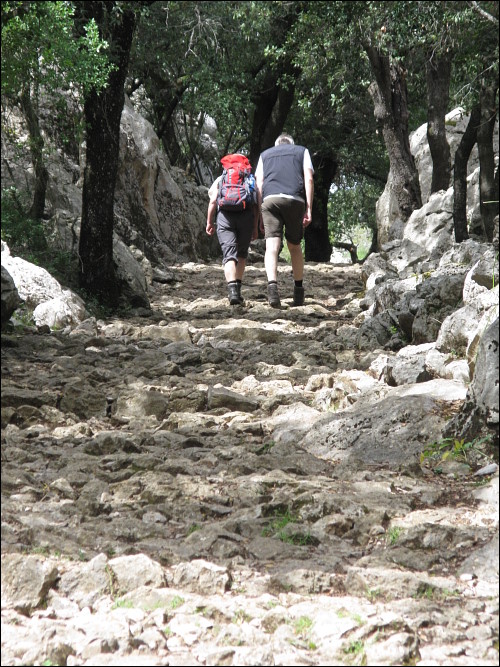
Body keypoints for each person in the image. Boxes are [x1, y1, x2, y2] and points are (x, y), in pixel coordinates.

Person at [255, 133, 314, 308]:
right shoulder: (302, 152)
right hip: (295, 200)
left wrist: (259, 212)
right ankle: (298, 290)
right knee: (294, 246)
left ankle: (272, 287)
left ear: (276, 144)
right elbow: (309, 178)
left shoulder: (264, 155)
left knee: (271, 247)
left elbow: (259, 184)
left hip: (270, 200)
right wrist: (309, 208)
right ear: (291, 144)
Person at [206, 157, 259, 306]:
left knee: (229, 255)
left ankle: (232, 291)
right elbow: (256, 204)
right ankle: (238, 289)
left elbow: (213, 200)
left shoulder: (222, 178)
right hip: (246, 217)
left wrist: (209, 222)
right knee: (241, 254)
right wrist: (255, 226)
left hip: (225, 217)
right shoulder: (249, 179)